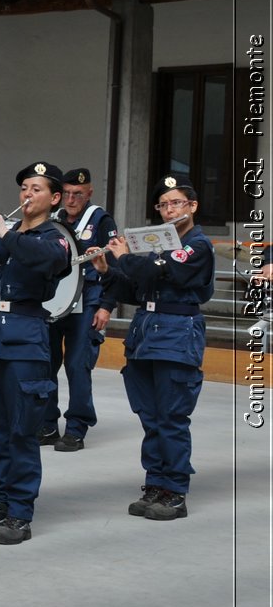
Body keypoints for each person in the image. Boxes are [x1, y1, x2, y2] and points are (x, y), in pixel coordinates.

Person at [0, 161, 73, 544]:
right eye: (24, 187)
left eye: (36, 189)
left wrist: (4, 233)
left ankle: (20, 511)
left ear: (54, 198)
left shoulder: (55, 237)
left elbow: (49, 263)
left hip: (25, 340)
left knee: (21, 430)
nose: (27, 194)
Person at [92, 174, 213, 520]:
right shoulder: (158, 244)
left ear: (192, 206)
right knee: (150, 416)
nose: (169, 209)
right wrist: (106, 270)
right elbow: (136, 289)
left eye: (177, 202)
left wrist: (125, 257)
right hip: (145, 332)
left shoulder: (197, 245)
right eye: (164, 204)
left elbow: (167, 271)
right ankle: (156, 482)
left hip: (177, 333)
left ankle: (175, 490)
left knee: (172, 416)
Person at [41, 166, 118, 450]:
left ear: (89, 193)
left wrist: (107, 306)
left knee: (77, 365)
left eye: (78, 194)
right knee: (46, 363)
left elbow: (114, 264)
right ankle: (47, 425)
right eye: (68, 194)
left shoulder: (100, 220)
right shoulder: (54, 220)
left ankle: (76, 428)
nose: (71, 200)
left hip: (88, 300)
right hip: (54, 300)